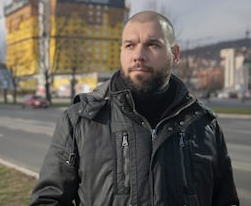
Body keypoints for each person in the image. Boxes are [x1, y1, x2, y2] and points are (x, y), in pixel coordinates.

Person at [30, 11, 239, 206]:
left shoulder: (204, 125)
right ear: (121, 52)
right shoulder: (80, 120)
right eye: (130, 45)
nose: (139, 54)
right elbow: (48, 200)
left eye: (152, 45)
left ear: (175, 54)